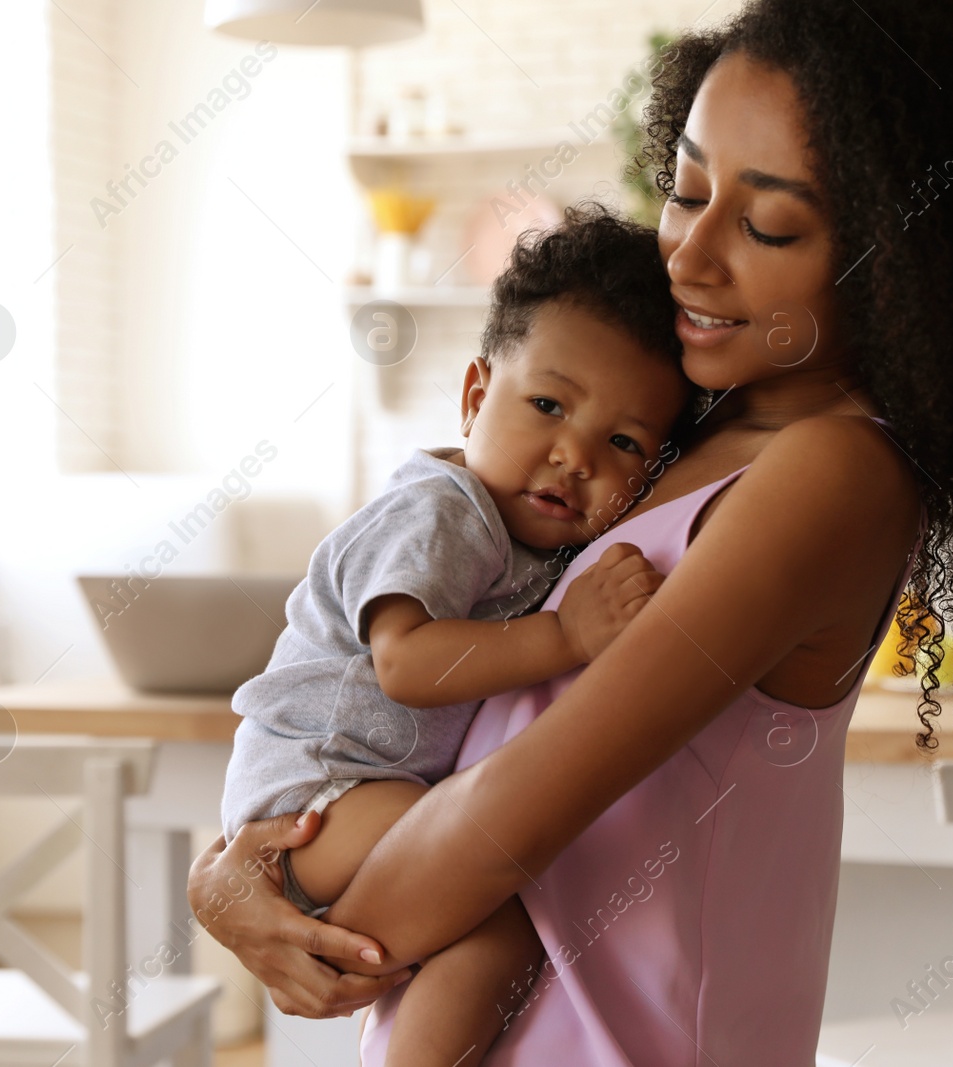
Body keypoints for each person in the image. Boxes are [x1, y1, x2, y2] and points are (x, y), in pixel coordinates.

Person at [188, 0, 953, 1061]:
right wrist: (238, 866)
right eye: (686, 191)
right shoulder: (678, 434)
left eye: (767, 226)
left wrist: (271, 885)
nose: (690, 256)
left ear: (906, 258)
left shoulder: (831, 474)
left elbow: (510, 814)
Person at [216, 205, 695, 1065]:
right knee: (501, 892)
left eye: (621, 441)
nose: (573, 455)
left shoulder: (539, 539)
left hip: (362, 792)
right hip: (319, 790)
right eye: (548, 404)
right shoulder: (444, 510)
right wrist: (567, 635)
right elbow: (405, 660)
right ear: (476, 394)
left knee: (495, 937)